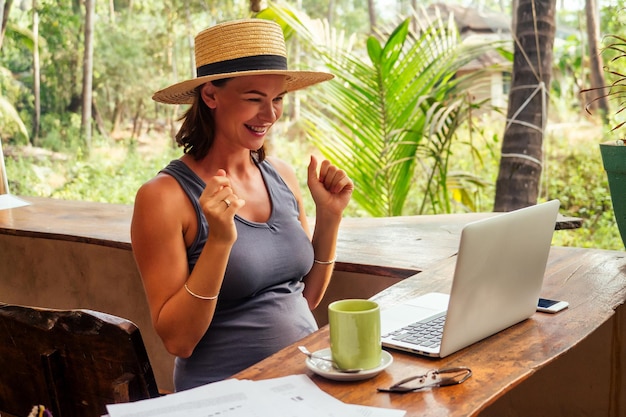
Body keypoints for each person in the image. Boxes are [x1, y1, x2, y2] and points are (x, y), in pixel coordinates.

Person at [130, 18, 354, 391]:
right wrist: (219, 240)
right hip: (225, 396)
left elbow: (306, 297)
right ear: (211, 95)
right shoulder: (163, 197)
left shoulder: (281, 175)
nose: (269, 115)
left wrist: (329, 217)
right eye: (254, 99)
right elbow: (178, 341)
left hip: (307, 383)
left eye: (277, 99)